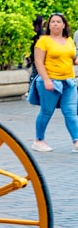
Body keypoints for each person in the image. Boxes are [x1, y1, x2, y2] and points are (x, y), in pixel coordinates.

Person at [31, 12, 78, 152]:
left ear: (64, 25)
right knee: (46, 112)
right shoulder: (43, 41)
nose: (56, 24)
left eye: (58, 21)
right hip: (50, 81)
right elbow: (38, 62)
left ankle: (76, 141)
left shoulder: (69, 40)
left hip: (69, 82)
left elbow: (73, 59)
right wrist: (46, 80)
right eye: (53, 21)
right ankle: (38, 140)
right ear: (49, 25)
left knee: (70, 112)